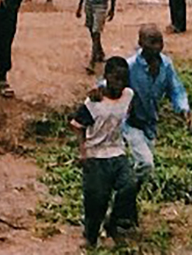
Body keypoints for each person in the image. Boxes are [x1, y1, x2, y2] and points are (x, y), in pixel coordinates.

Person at [69, 56, 136, 249]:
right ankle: (90, 236)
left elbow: (128, 111)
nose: (119, 84)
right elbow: (77, 125)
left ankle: (113, 223)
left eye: (123, 79)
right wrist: (83, 151)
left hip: (117, 152)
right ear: (106, 77)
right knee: (96, 198)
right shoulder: (93, 103)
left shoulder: (128, 96)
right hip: (95, 155)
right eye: (116, 79)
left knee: (129, 185)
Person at [120, 25, 190, 197]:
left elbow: (176, 88)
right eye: (151, 42)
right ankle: (125, 194)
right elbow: (110, 84)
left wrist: (183, 108)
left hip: (150, 124)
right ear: (141, 43)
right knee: (146, 163)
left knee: (142, 166)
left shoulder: (166, 65)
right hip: (131, 123)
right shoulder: (130, 66)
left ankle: (127, 197)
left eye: (159, 42)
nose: (156, 47)